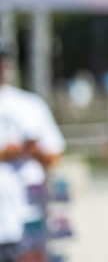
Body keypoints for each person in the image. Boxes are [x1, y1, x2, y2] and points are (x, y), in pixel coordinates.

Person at [0, 41, 65, 262]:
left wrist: (33, 150)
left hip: (28, 213)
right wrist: (5, 153)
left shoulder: (30, 104)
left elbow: (54, 155)